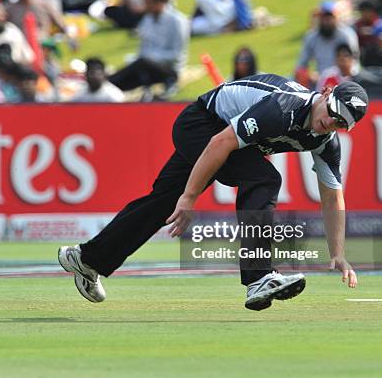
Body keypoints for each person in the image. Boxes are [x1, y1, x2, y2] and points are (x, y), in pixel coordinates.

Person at [58, 74, 366, 310]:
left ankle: (88, 259)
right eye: (332, 111)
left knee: (161, 202)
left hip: (217, 136)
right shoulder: (283, 108)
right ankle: (259, 277)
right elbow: (221, 143)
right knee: (264, 179)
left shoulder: (325, 140)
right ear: (326, 92)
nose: (330, 123)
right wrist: (190, 198)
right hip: (201, 124)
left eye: (339, 123)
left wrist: (338, 253)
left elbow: (331, 194)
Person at [108, 0, 189, 98]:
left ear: (159, 3)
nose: (146, 6)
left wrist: (151, 57)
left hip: (169, 69)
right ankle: (108, 84)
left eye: (149, 3)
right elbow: (143, 47)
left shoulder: (177, 22)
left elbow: (176, 55)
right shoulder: (147, 20)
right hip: (146, 66)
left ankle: (109, 81)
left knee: (142, 63)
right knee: (125, 79)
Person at [295, 0, 359, 87]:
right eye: (324, 18)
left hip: (343, 78)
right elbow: (301, 65)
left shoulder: (346, 35)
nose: (327, 21)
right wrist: (309, 75)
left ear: (336, 18)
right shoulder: (311, 36)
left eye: (330, 18)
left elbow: (354, 63)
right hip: (319, 79)